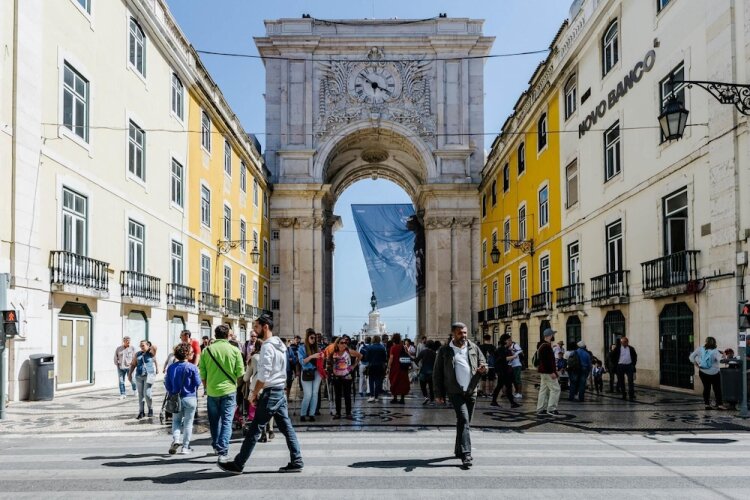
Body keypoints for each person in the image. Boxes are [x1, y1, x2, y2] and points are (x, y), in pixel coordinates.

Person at [218, 314, 304, 474]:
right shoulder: (281, 345)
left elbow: (264, 375)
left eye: (256, 327)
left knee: (254, 429)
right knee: (287, 428)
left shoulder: (267, 347)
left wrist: (253, 394)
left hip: (271, 392)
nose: (254, 330)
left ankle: (238, 464)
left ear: (265, 327)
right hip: (280, 390)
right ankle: (297, 460)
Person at [433, 322, 487, 467]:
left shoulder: (473, 347)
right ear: (453, 334)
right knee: (463, 419)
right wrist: (438, 394)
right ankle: (466, 454)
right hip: (455, 391)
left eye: (465, 333)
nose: (463, 335)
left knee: (464, 422)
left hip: (471, 390)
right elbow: (437, 373)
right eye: (460, 333)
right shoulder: (444, 350)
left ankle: (459, 450)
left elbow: (483, 363)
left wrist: (483, 369)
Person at [199, 324, 244, 462]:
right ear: (228, 336)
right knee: (227, 421)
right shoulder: (234, 350)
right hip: (229, 390)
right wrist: (235, 385)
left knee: (214, 421)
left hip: (212, 391)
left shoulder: (206, 351)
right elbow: (240, 373)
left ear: (215, 335)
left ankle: (215, 446)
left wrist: (207, 387)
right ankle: (223, 450)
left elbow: (202, 374)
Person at [165, 343, 202, 455]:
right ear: (187, 354)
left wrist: (172, 391)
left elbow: (167, 384)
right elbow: (198, 382)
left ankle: (176, 439)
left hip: (176, 398)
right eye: (191, 352)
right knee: (188, 423)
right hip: (190, 397)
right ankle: (185, 447)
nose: (193, 354)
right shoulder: (192, 367)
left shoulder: (171, 367)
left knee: (176, 421)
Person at [243, 338, 274, 442]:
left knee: (259, 411)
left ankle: (263, 433)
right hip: (269, 386)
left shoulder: (253, 358)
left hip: (256, 388)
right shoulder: (270, 356)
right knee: (269, 409)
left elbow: (246, 378)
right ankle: (271, 429)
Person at [328, 335, 362, 419]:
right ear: (337, 344)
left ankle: (348, 413)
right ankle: (338, 413)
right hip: (336, 377)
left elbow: (360, 355)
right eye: (342, 343)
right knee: (337, 396)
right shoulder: (333, 352)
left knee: (347, 395)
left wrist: (353, 366)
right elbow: (329, 361)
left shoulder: (349, 351)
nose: (344, 344)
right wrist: (331, 368)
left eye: (345, 343)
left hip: (347, 376)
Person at [689, 336, 726, 410]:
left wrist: (696, 365)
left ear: (706, 342)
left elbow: (691, 357)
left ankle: (707, 404)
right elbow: (721, 360)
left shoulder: (700, 349)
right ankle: (720, 405)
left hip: (703, 372)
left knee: (706, 388)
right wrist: (724, 354)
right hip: (714, 373)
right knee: (717, 389)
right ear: (714, 343)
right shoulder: (715, 351)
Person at [127, 340, 158, 419]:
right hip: (139, 376)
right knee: (140, 395)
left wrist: (149, 347)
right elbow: (133, 364)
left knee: (147, 394)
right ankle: (141, 412)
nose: (141, 347)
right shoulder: (138, 354)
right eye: (140, 345)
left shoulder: (151, 353)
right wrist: (130, 374)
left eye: (143, 345)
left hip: (149, 376)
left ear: (148, 345)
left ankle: (150, 408)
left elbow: (155, 347)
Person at [535, 328, 562, 417]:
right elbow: (546, 361)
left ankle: (541, 408)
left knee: (543, 390)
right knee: (556, 389)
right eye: (552, 334)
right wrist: (551, 372)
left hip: (543, 371)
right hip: (548, 372)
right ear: (549, 336)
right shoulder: (546, 346)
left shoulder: (541, 345)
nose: (553, 336)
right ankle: (551, 409)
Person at [298, 328, 323, 421]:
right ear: (307, 338)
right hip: (307, 372)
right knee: (308, 394)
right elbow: (302, 362)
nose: (313, 339)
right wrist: (312, 356)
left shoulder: (318, 348)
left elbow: (321, 361)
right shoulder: (302, 348)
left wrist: (322, 357)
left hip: (317, 372)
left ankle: (312, 414)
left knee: (315, 393)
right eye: (311, 338)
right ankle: (303, 414)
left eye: (315, 338)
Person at [491, 334, 520, 408]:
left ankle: (495, 401)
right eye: (509, 340)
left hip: (504, 370)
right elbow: (504, 358)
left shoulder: (505, 348)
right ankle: (512, 403)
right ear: (505, 341)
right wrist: (513, 356)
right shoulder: (501, 349)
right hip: (502, 370)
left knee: (502, 386)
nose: (511, 341)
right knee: (507, 386)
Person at [610, 336, 638, 401]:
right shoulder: (617, 349)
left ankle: (631, 394)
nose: (625, 343)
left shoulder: (631, 348)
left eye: (626, 342)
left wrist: (633, 364)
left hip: (629, 366)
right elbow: (612, 357)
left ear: (628, 342)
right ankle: (624, 394)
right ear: (621, 342)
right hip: (620, 366)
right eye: (623, 342)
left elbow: (635, 356)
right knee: (621, 381)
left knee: (630, 381)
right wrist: (616, 364)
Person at [387, 333, 411, 404]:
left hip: (395, 367)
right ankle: (402, 399)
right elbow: (408, 355)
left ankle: (395, 398)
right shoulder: (404, 347)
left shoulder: (393, 348)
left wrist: (388, 366)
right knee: (403, 382)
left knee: (394, 381)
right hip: (403, 367)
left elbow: (391, 358)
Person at [365, 334, 387, 402]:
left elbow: (366, 358)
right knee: (378, 381)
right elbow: (384, 358)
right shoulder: (382, 347)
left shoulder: (370, 347)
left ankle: (372, 396)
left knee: (371, 381)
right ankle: (376, 396)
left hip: (371, 366)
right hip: (380, 366)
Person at [415, 340, 436, 404]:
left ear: (426, 345)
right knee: (431, 386)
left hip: (423, 371)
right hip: (431, 372)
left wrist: (418, 366)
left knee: (422, 386)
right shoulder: (434, 353)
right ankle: (432, 399)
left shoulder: (423, 352)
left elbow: (416, 360)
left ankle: (426, 396)